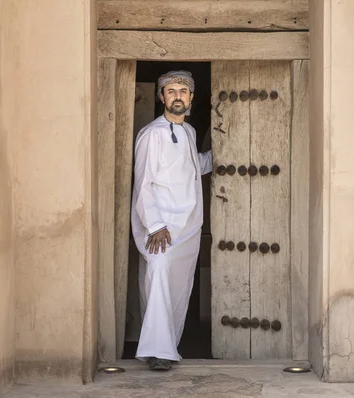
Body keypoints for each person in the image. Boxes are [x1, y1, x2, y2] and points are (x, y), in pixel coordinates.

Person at [131, 71, 212, 371]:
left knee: (178, 287)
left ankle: (169, 346)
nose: (177, 95)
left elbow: (195, 166)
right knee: (158, 276)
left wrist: (221, 157)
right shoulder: (152, 134)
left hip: (187, 228)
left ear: (190, 98)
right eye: (171, 91)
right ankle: (157, 351)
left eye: (183, 91)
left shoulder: (189, 133)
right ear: (161, 97)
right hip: (160, 227)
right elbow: (143, 183)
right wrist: (155, 225)